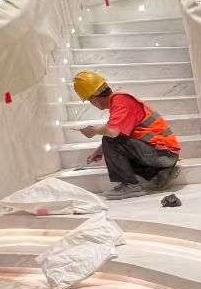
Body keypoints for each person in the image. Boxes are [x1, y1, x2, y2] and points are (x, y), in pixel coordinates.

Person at [72, 70, 181, 199]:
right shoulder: (120, 102)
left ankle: (131, 186)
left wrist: (94, 131)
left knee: (110, 140)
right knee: (112, 140)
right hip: (165, 154)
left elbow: (113, 133)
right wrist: (100, 151)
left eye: (90, 101)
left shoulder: (121, 102)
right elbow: (118, 133)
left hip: (163, 154)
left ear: (94, 98)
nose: (92, 104)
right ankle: (161, 174)